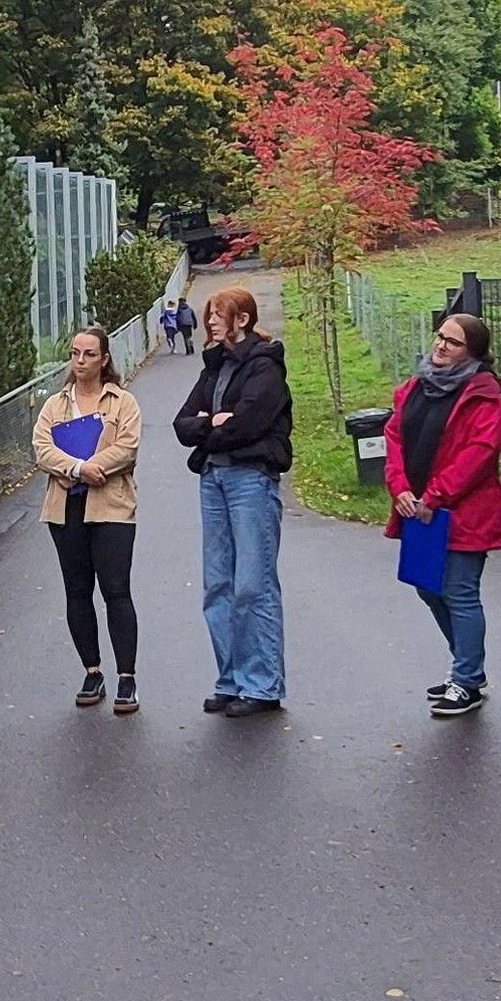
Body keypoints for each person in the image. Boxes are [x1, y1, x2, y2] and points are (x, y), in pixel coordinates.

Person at [381, 306, 501, 713]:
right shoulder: (416, 387)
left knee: (459, 592)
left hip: (462, 511)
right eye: (440, 336)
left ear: (471, 352)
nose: (440, 345)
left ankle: (467, 680)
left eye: (452, 341)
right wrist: (399, 487)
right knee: (427, 586)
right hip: (417, 509)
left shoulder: (484, 396)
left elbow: (478, 454)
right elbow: (393, 437)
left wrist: (434, 496)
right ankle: (467, 667)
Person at [174, 285, 292, 714]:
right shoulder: (216, 366)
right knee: (218, 584)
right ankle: (231, 680)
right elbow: (182, 423)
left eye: (217, 314)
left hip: (250, 480)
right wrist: (211, 423)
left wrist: (213, 425)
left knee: (252, 586)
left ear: (242, 318)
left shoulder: (264, 368)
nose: (210, 321)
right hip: (213, 477)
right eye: (208, 315)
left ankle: (261, 685)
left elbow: (248, 425)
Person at [31, 325, 147, 710]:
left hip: (111, 506)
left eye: (88, 354)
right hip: (66, 507)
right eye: (75, 354)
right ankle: (92, 670)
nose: (80, 361)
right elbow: (42, 449)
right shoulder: (55, 405)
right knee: (77, 590)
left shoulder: (122, 402)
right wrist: (79, 469)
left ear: (104, 359)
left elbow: (127, 448)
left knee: (116, 590)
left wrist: (94, 467)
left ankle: (126, 677)